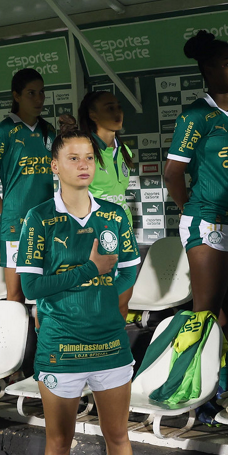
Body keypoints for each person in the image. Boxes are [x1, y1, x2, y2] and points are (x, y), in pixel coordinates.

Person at [16, 123, 160, 455]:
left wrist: (108, 299)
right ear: (54, 166)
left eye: (90, 158)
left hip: (110, 343)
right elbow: (31, 287)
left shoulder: (113, 215)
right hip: (61, 346)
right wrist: (89, 271)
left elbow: (129, 268)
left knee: (118, 434)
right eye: (73, 158)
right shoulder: (39, 219)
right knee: (60, 439)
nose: (84, 165)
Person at [165, 30, 228, 397]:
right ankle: (194, 389)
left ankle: (227, 389)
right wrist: (191, 210)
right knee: (205, 312)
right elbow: (172, 173)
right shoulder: (196, 115)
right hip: (208, 221)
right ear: (208, 70)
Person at [0, 68, 56, 304]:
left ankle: (43, 331)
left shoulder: (49, 130)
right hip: (16, 226)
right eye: (31, 93)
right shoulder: (4, 131)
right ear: (16, 96)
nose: (39, 99)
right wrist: (8, 213)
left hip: (48, 222)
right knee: (15, 295)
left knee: (46, 293)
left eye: (41, 92)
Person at [77, 89, 138, 316]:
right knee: (96, 304)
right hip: (95, 236)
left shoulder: (124, 150)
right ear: (93, 115)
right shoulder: (84, 150)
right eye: (109, 108)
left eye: (118, 107)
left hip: (124, 232)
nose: (117, 112)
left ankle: (118, 341)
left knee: (123, 301)